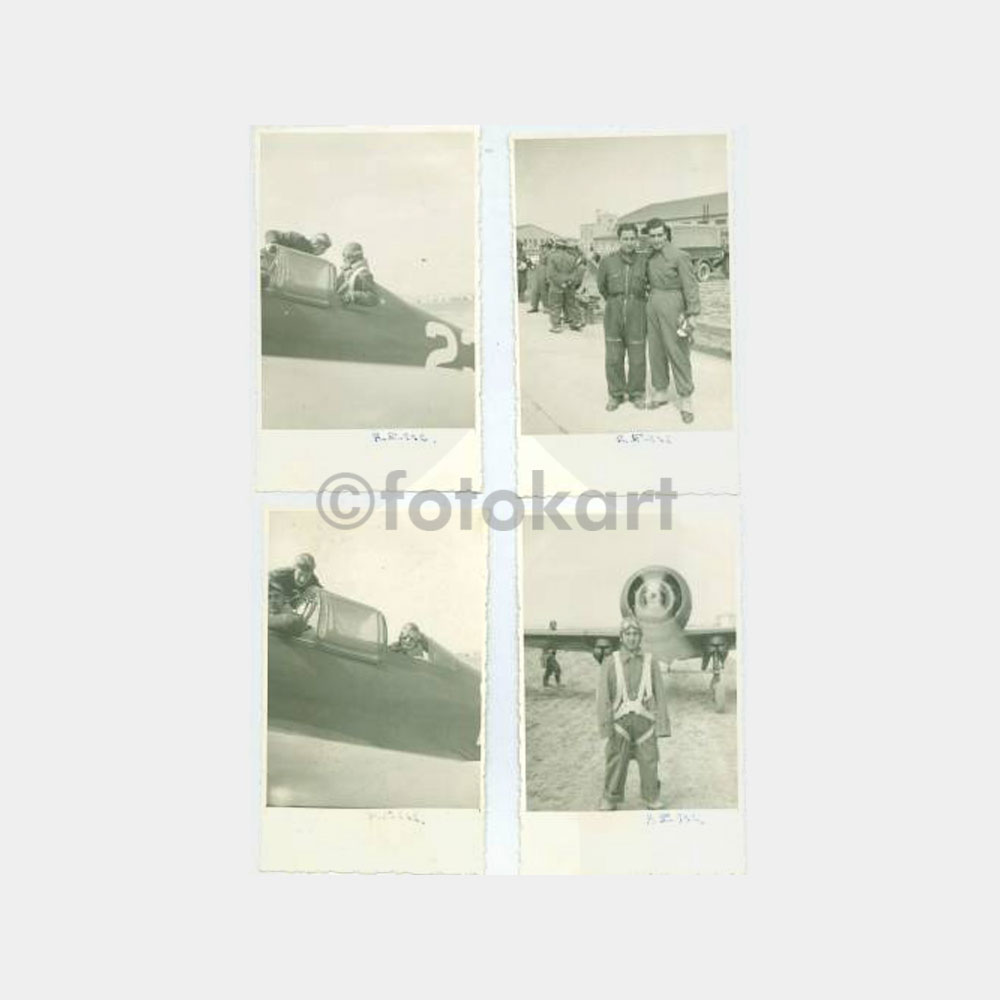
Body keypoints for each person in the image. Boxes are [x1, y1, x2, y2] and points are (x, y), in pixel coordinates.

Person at [595, 616, 671, 810]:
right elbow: (603, 697)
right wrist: (606, 727)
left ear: (640, 637)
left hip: (645, 724)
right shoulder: (610, 662)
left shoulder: (650, 662)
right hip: (619, 725)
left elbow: (660, 695)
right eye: (628, 634)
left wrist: (662, 726)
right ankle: (610, 797)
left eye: (636, 634)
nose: (632, 637)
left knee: (650, 761)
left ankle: (651, 796)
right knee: (615, 760)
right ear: (621, 637)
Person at [644, 218, 701, 423]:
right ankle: (660, 391)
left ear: (666, 234)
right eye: (653, 236)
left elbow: (690, 286)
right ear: (648, 238)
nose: (657, 239)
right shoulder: (649, 258)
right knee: (656, 350)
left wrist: (692, 314)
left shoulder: (680, 256)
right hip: (653, 304)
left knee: (677, 351)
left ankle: (686, 399)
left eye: (660, 235)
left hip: (674, 304)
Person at [596, 222, 648, 411]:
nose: (629, 242)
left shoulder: (644, 261)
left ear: (637, 240)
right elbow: (602, 286)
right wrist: (615, 301)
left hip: (637, 311)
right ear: (619, 240)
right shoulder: (607, 262)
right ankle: (615, 394)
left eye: (632, 238)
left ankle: (637, 393)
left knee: (638, 356)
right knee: (613, 356)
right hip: (614, 312)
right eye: (625, 238)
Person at [268, 553, 322, 635]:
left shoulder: (313, 582)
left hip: (292, 607)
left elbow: (321, 595)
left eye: (307, 576)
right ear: (294, 569)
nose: (302, 579)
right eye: (300, 574)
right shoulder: (279, 575)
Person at [545, 239, 585, 333]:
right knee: (571, 304)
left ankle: (556, 326)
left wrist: (561, 283)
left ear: (556, 246)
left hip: (556, 286)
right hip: (569, 286)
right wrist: (569, 281)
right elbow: (575, 272)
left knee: (555, 305)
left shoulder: (552, 257)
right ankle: (575, 323)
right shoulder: (572, 257)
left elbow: (551, 273)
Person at [336, 242, 380, 306]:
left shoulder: (362, 273)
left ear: (355, 257)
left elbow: (373, 298)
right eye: (344, 255)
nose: (344, 259)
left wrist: (352, 295)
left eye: (348, 256)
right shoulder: (347, 270)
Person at [263, 230, 332, 256]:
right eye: (322, 249)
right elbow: (271, 233)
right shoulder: (297, 239)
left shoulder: (313, 262)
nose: (323, 252)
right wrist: (271, 244)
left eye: (324, 249)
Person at [528, 240, 551, 313]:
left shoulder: (550, 254)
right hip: (538, 271)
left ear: (548, 247)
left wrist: (548, 277)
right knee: (535, 290)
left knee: (544, 290)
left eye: (545, 246)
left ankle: (546, 307)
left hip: (545, 271)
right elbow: (536, 261)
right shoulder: (541, 253)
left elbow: (550, 265)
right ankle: (534, 306)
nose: (543, 248)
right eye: (543, 246)